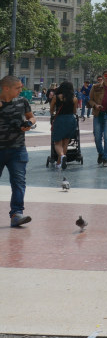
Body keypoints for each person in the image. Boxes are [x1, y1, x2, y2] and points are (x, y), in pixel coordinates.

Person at [1, 75, 35, 227]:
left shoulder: (22, 101)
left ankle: (16, 214)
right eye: (18, 88)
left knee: (19, 182)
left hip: (18, 148)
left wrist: (29, 123)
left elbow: (32, 117)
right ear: (6, 88)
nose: (21, 90)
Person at [50, 81, 78, 171]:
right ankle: (59, 162)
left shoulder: (56, 97)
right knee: (66, 143)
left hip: (60, 120)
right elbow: (74, 111)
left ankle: (62, 156)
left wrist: (53, 114)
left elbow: (51, 110)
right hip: (70, 120)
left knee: (57, 143)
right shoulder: (74, 98)